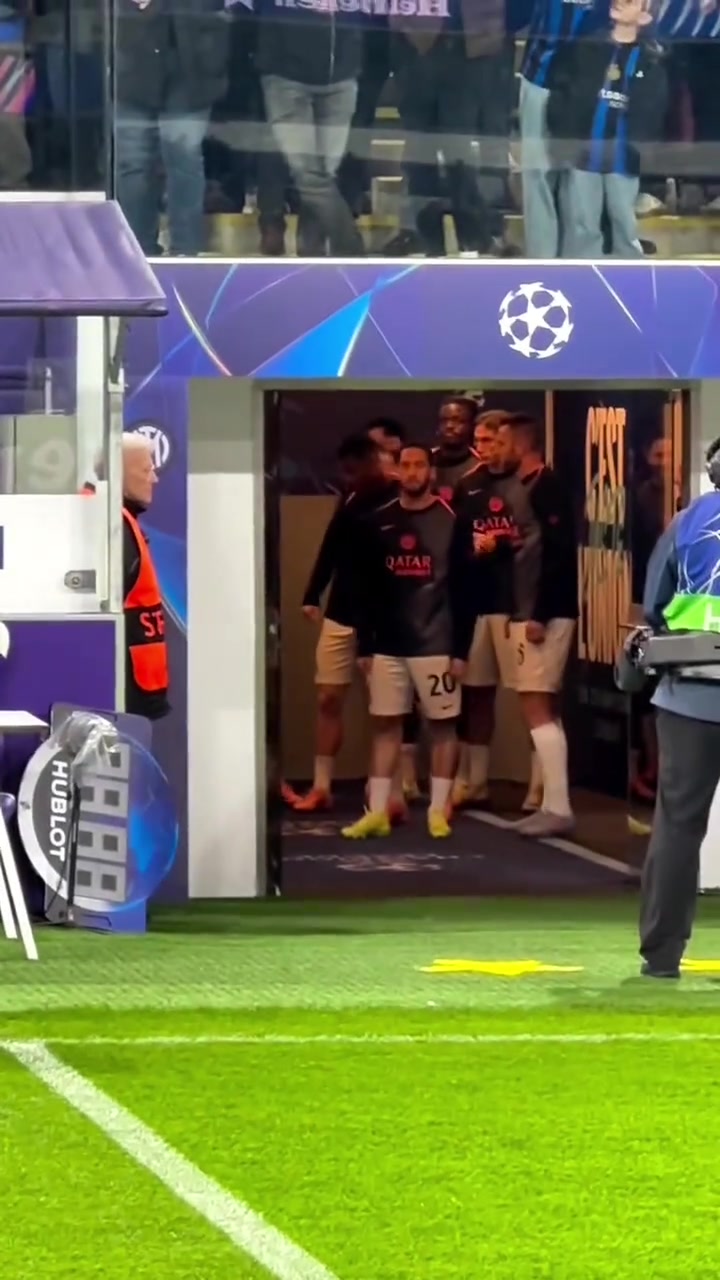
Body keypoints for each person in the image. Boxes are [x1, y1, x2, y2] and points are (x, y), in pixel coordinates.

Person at [342, 443, 473, 841]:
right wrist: (365, 644)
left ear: (431, 472)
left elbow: (465, 589)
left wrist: (460, 650)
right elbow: (365, 588)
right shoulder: (377, 522)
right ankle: (378, 811)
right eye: (406, 465)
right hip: (388, 644)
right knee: (385, 726)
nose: (413, 471)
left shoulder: (453, 521)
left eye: (420, 465)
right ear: (398, 470)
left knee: (443, 726)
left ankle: (438, 810)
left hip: (436, 643)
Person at [637, 438, 720, 978]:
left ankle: (662, 955)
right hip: (692, 695)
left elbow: (654, 607)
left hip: (690, 694)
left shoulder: (688, 522)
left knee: (678, 828)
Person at [487, 415, 577, 836]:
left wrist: (539, 613)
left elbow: (559, 554)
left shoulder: (547, 486)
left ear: (521, 445)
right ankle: (551, 803)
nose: (495, 450)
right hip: (527, 610)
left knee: (536, 704)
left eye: (501, 442)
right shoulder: (519, 489)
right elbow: (525, 551)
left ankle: (558, 807)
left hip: (547, 613)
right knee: (538, 705)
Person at [296, 433, 396, 812]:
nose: (348, 478)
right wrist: (312, 594)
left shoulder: (398, 501)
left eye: (354, 471)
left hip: (384, 618)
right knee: (328, 697)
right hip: (341, 612)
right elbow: (331, 548)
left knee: (385, 706)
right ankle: (322, 786)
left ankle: (383, 789)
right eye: (345, 473)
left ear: (373, 463)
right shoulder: (350, 499)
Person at [548, 0, 667, 259]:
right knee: (581, 224)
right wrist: (565, 138)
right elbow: (564, 94)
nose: (619, 2)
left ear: (645, 17)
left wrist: (640, 149)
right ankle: (582, 273)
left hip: (624, 157)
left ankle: (629, 271)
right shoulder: (586, 48)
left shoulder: (650, 61)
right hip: (584, 152)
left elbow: (653, 112)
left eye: (631, 1)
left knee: (623, 221)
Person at [114, 0, 228, 257]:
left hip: (193, 62)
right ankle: (138, 251)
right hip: (132, 57)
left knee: (183, 160)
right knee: (133, 163)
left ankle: (185, 250)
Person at [519, 0, 605, 257]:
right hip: (539, 76)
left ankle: (583, 262)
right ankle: (542, 260)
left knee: (583, 177)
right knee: (538, 173)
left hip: (591, 82)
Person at [121, 434, 170, 721]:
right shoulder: (115, 530)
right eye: (146, 469)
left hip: (137, 688)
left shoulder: (126, 525)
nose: (154, 478)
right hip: (123, 692)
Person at [431, 396, 480, 503]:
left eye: (457, 420)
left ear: (472, 425)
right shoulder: (424, 460)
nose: (449, 426)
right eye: (444, 420)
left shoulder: (480, 466)